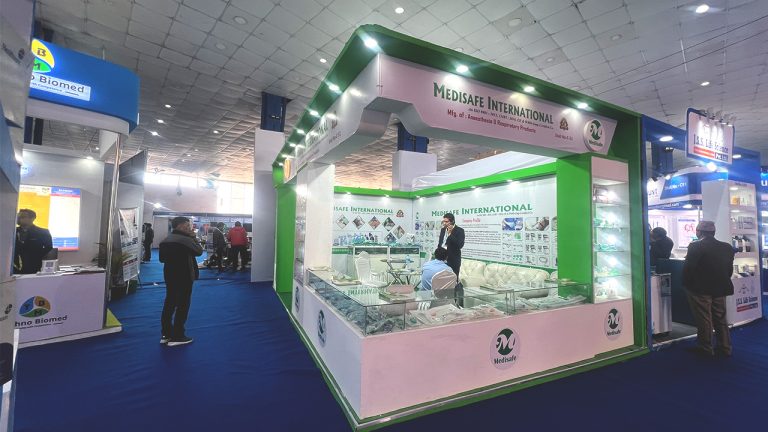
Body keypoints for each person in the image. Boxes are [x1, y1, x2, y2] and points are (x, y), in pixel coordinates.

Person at [682, 220, 735, 358]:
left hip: (700, 289)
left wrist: (686, 284)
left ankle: (705, 347)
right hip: (721, 287)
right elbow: (729, 270)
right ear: (714, 232)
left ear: (699, 232)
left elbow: (688, 269)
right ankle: (725, 347)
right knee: (721, 318)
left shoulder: (695, 246)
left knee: (704, 318)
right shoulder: (727, 247)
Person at [159, 216, 203, 346]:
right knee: (183, 305)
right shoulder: (185, 240)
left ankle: (166, 334)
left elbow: (162, 259)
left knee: (169, 303)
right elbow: (199, 251)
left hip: (169, 275)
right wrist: (193, 237)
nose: (190, 228)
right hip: (184, 276)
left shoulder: (165, 240)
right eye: (188, 225)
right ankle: (178, 336)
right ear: (181, 226)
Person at [13, 209, 53, 274]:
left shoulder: (43, 232)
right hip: (14, 268)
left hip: (35, 268)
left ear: (32, 218)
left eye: (22, 217)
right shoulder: (12, 232)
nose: (19, 219)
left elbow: (48, 249)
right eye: (18, 217)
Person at [437, 213, 465, 305]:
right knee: (442, 281)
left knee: (453, 282)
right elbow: (440, 243)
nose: (444, 223)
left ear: (452, 221)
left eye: (446, 221)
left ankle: (454, 303)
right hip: (442, 259)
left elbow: (460, 245)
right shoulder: (442, 230)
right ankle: (443, 302)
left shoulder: (459, 231)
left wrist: (450, 234)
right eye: (443, 221)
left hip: (453, 260)